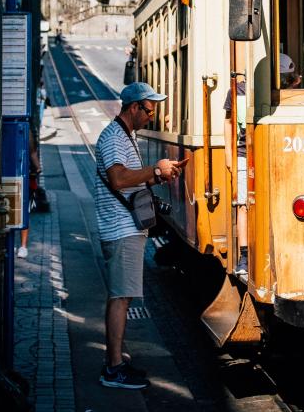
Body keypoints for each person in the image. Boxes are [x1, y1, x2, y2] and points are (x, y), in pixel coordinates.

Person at [94, 82, 184, 389]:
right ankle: (113, 369)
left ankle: (116, 360)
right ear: (134, 107)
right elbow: (118, 180)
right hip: (120, 228)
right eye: (148, 111)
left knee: (123, 295)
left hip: (127, 227)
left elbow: (130, 180)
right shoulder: (113, 138)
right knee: (120, 298)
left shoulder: (124, 136)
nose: (151, 117)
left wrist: (161, 173)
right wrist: (155, 171)